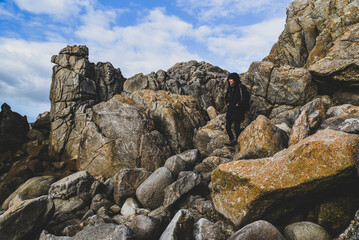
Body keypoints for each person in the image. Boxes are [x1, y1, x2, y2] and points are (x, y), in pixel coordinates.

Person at [224, 72, 248, 146]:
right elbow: (226, 96)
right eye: (229, 79)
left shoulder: (241, 87)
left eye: (231, 79)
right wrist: (227, 102)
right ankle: (232, 140)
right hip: (230, 109)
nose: (230, 81)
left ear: (235, 79)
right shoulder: (230, 87)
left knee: (236, 127)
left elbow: (247, 97)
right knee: (227, 126)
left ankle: (238, 142)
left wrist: (239, 104)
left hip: (238, 110)